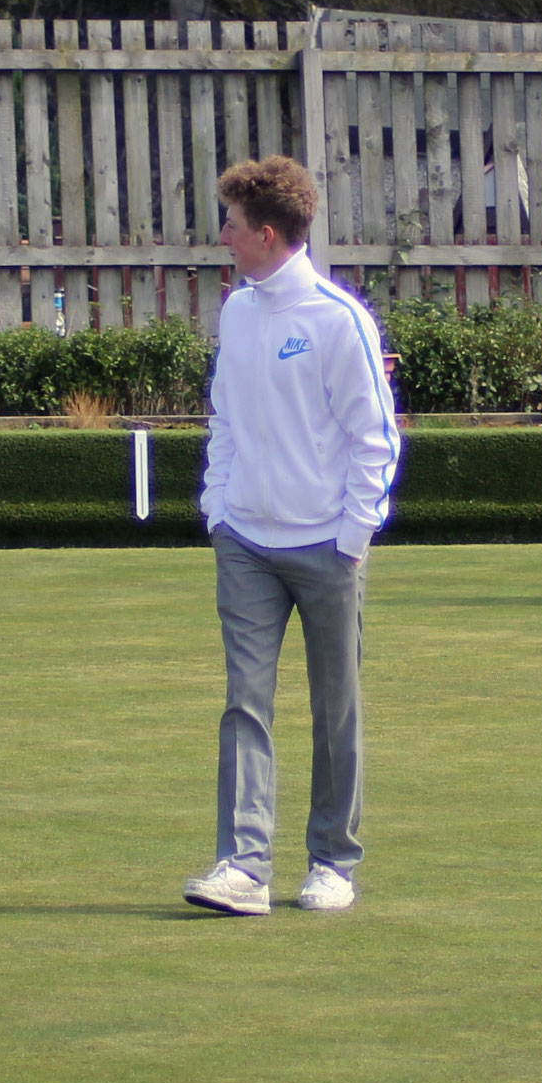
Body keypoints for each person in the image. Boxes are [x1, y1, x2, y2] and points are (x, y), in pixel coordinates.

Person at [182, 155, 401, 918]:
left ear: (266, 233)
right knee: (245, 700)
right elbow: (227, 418)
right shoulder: (238, 310)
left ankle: (333, 862)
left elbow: (374, 438)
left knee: (334, 705)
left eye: (232, 225)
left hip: (326, 548)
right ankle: (242, 865)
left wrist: (350, 536)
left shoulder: (338, 322)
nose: (224, 236)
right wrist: (219, 507)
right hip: (245, 540)